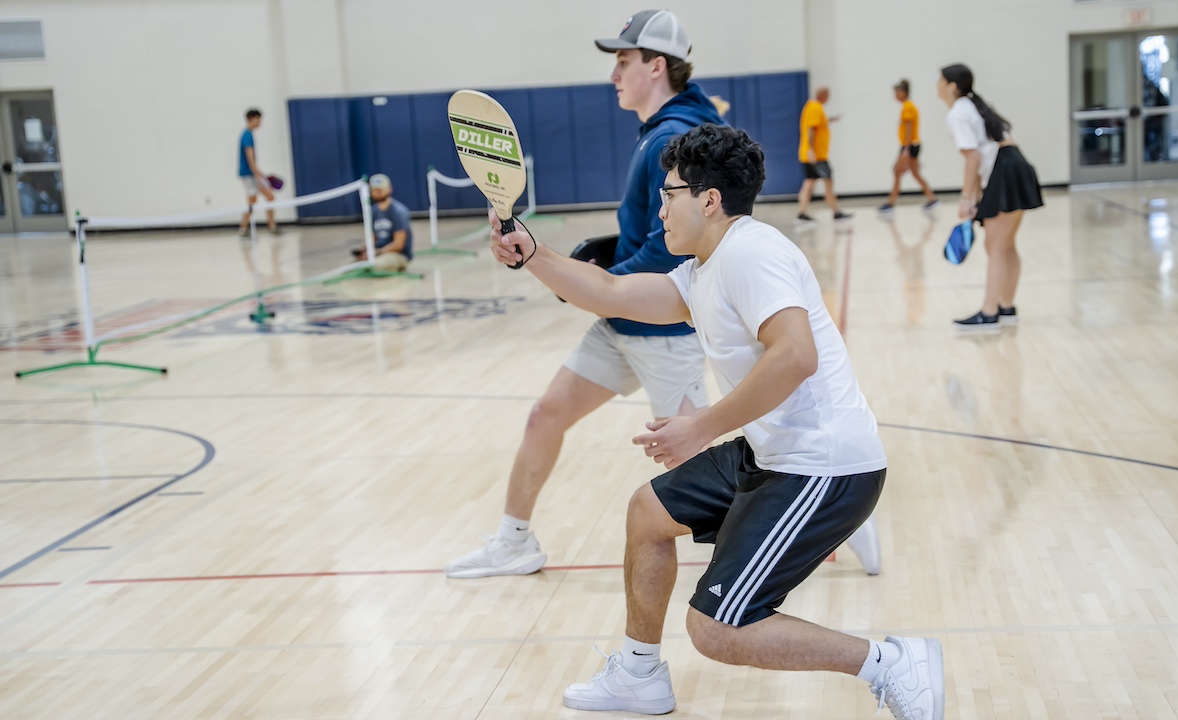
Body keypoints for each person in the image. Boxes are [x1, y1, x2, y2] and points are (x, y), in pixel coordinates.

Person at [488, 123, 943, 719]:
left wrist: (701, 427)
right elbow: (611, 292)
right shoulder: (702, 268)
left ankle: (889, 662)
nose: (661, 207)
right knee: (649, 513)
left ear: (709, 199)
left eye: (670, 193)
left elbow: (796, 354)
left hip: (823, 466)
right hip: (772, 451)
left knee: (717, 629)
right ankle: (638, 673)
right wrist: (534, 254)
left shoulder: (752, 252)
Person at [444, 9, 721, 579]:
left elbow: (671, 260)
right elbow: (649, 236)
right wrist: (601, 259)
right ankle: (514, 541)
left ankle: (821, 522)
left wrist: (586, 283)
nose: (613, 74)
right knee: (546, 416)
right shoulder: (659, 133)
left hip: (664, 333)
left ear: (656, 65)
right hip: (623, 327)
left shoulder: (671, 139)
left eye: (623, 61)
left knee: (695, 458)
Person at [938, 63, 1043, 330]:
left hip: (1005, 171)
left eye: (940, 81)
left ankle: (989, 312)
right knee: (1005, 245)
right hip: (1014, 166)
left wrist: (966, 199)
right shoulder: (975, 106)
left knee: (995, 247)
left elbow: (972, 158)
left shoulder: (958, 114)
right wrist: (975, 197)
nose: (936, 86)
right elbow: (982, 156)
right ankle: (1006, 307)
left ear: (952, 86)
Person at [878, 79, 939, 214]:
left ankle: (891, 202)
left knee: (896, 171)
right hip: (912, 145)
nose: (895, 96)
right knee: (915, 173)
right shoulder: (908, 106)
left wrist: (905, 150)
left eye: (897, 92)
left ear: (903, 92)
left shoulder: (907, 107)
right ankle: (932, 199)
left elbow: (909, 128)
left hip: (909, 146)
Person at [796, 87, 851, 223]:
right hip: (816, 156)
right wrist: (812, 150)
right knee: (821, 182)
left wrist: (831, 119)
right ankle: (833, 211)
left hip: (814, 155)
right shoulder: (815, 107)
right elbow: (811, 130)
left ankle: (804, 212)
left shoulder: (814, 107)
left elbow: (818, 124)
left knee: (812, 182)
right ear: (824, 95)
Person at [351, 174, 413, 272]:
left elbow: (398, 245)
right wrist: (364, 250)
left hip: (398, 255)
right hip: (379, 252)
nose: (378, 192)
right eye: (375, 190)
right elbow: (373, 238)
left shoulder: (399, 212)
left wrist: (377, 253)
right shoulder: (373, 212)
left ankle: (399, 266)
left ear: (389, 189)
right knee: (348, 266)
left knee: (372, 267)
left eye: (381, 189)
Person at [237, 108, 279, 237]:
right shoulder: (247, 135)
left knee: (255, 201)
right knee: (267, 197)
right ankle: (270, 227)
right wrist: (260, 176)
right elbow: (251, 160)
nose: (260, 122)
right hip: (249, 175)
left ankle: (244, 228)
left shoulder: (248, 134)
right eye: (258, 119)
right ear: (251, 119)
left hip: (249, 174)